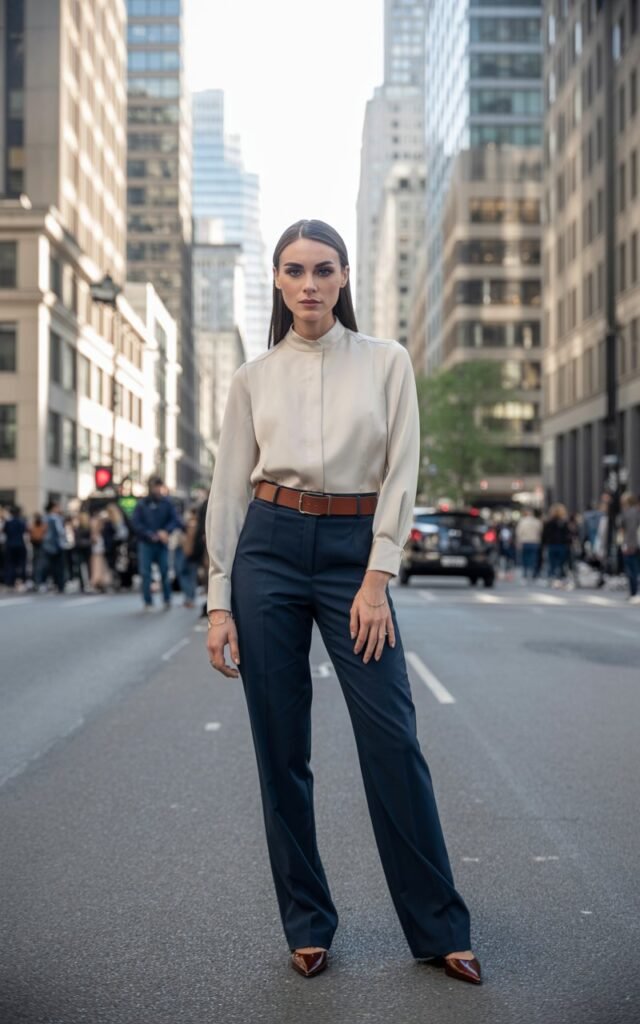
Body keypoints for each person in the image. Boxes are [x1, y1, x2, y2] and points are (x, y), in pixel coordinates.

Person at [204, 220, 481, 985]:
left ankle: (440, 927)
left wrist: (377, 577)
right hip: (267, 548)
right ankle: (308, 923)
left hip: (354, 550)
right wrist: (219, 602)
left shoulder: (387, 362)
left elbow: (402, 470)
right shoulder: (252, 377)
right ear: (278, 280)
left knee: (392, 738)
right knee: (280, 749)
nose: (309, 284)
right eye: (294, 271)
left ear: (344, 277)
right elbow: (228, 490)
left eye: (323, 270)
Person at [132, 476, 179, 611]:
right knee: (145, 573)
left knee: (165, 571)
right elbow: (136, 523)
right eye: (155, 486)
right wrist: (148, 534)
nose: (157, 489)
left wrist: (166, 531)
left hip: (162, 543)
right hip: (146, 543)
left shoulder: (167, 503)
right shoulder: (142, 504)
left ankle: (167, 598)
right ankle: (148, 601)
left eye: (159, 486)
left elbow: (175, 520)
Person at [618, 492, 640, 603]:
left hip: (630, 544)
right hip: (636, 544)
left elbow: (626, 531)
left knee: (631, 570)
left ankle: (633, 592)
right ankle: (634, 592)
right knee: (635, 569)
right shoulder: (636, 512)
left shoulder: (627, 513)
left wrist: (626, 544)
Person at [541, 503, 571, 585]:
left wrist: (544, 544)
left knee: (552, 562)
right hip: (562, 545)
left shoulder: (549, 522)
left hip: (552, 544)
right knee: (561, 562)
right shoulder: (564, 522)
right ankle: (560, 577)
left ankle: (552, 577)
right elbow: (568, 534)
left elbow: (545, 534)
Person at [41, 500, 67, 593]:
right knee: (50, 565)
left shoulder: (57, 518)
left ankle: (58, 584)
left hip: (55, 545)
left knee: (57, 566)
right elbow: (58, 532)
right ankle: (52, 583)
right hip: (52, 545)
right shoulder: (50, 518)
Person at [3, 506, 28, 590]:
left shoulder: (8, 522)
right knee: (21, 563)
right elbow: (25, 531)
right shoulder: (22, 522)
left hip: (10, 545)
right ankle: (22, 579)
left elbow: (5, 531)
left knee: (10, 564)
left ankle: (10, 581)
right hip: (20, 544)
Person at [515, 507, 542, 582]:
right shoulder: (537, 522)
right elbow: (540, 532)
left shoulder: (522, 522)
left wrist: (518, 542)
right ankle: (532, 573)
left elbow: (519, 533)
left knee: (525, 558)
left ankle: (525, 573)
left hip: (525, 541)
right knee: (533, 558)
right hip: (535, 542)